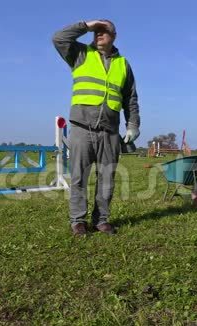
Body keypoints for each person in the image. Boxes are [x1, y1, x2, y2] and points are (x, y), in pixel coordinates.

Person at [53, 20, 141, 236]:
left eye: (104, 31)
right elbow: (58, 38)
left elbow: (130, 98)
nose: (99, 35)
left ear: (114, 35)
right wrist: (86, 25)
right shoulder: (80, 54)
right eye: (96, 32)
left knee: (107, 179)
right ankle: (78, 221)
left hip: (110, 132)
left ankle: (101, 220)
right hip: (82, 128)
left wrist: (132, 124)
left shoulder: (123, 64)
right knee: (79, 177)